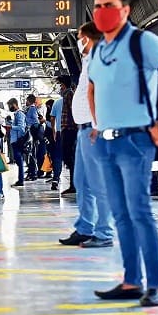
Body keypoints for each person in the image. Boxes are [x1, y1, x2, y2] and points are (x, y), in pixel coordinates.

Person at [89, 0, 158, 306]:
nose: (102, 12)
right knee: (120, 214)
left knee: (139, 212)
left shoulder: (141, 42)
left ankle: (155, 284)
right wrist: (97, 124)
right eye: (98, 6)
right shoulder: (99, 50)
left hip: (136, 141)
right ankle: (132, 281)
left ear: (125, 10)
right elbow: (93, 88)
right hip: (106, 144)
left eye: (109, 6)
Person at [59, 21, 114, 248]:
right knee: (82, 181)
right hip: (84, 129)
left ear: (91, 37)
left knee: (98, 183)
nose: (79, 41)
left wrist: (98, 124)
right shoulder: (88, 60)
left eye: (81, 36)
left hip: (94, 129)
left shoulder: (102, 59)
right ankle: (85, 228)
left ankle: (104, 233)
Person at [56, 75, 78, 195]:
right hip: (68, 129)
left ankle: (74, 185)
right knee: (68, 157)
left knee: (70, 157)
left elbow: (73, 110)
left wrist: (75, 127)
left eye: (60, 85)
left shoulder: (69, 94)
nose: (59, 87)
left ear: (64, 84)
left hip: (70, 129)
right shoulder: (67, 95)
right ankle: (73, 184)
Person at [7, 98, 27, 187]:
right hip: (15, 140)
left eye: (10, 105)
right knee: (19, 161)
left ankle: (21, 180)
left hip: (18, 141)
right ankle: (20, 179)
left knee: (19, 160)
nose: (9, 107)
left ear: (14, 104)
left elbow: (21, 128)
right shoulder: (17, 114)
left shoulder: (20, 114)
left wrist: (11, 127)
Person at [24, 95, 40, 181]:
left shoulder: (32, 109)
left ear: (29, 101)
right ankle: (31, 172)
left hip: (32, 134)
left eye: (26, 100)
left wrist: (30, 128)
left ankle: (33, 174)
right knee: (30, 154)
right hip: (31, 133)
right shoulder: (30, 109)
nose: (26, 102)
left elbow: (35, 121)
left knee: (32, 154)